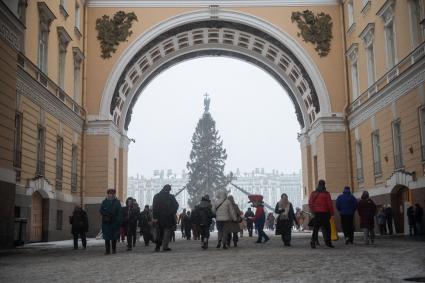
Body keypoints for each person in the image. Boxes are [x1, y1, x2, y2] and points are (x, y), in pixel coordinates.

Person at [152, 184, 179, 252]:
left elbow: (154, 207)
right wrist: (172, 212)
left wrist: (155, 217)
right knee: (167, 232)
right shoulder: (171, 197)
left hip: (159, 218)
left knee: (160, 233)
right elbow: (176, 205)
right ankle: (165, 246)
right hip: (168, 218)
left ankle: (158, 246)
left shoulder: (157, 196)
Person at [308, 180, 334, 249]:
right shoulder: (326, 193)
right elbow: (330, 204)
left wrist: (313, 211)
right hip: (325, 213)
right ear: (324, 185)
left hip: (317, 213)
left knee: (316, 228)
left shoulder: (313, 193)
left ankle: (313, 241)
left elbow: (310, 203)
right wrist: (332, 213)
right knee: (327, 228)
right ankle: (328, 242)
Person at [99, 189, 122, 255]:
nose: (111, 195)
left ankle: (114, 250)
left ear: (114, 194)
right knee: (107, 237)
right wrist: (106, 214)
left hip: (114, 223)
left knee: (114, 237)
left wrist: (118, 221)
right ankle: (107, 251)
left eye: (112, 194)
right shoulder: (104, 202)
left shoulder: (117, 202)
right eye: (109, 194)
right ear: (108, 194)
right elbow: (101, 210)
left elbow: (120, 212)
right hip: (106, 222)